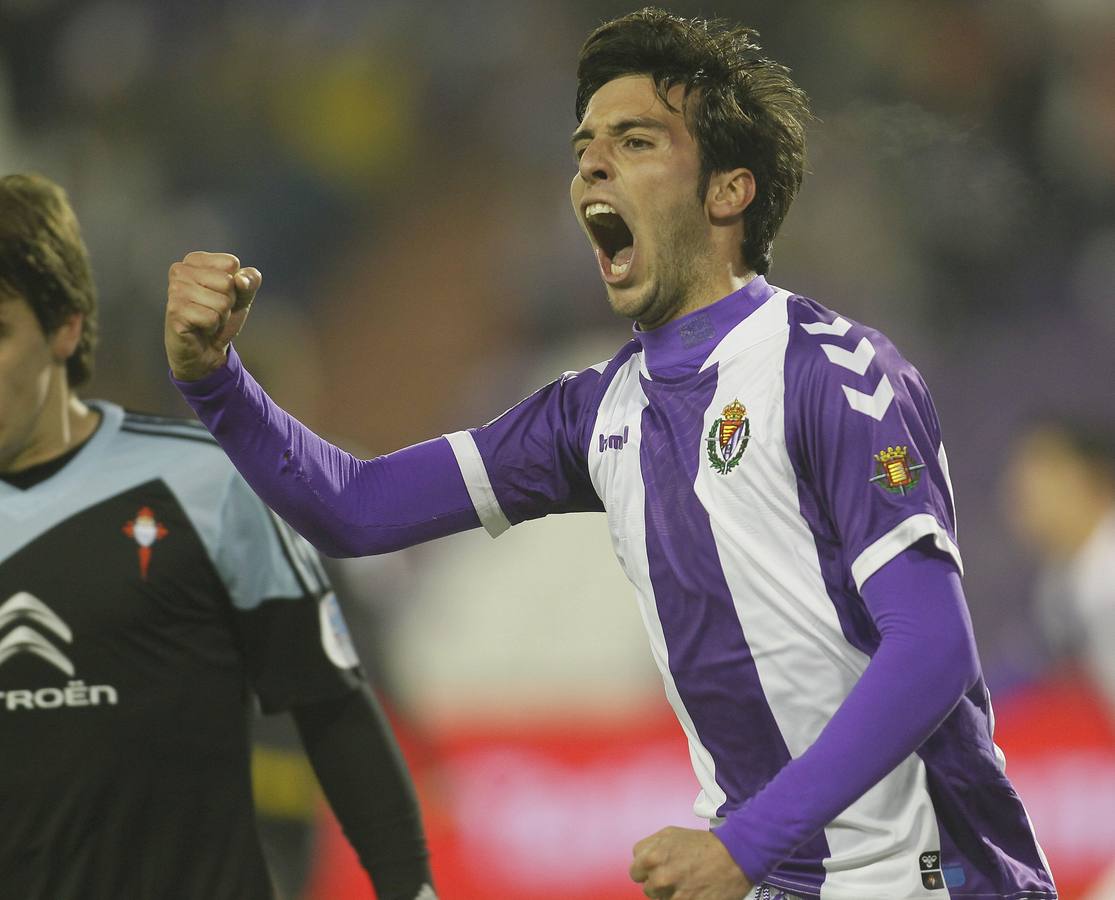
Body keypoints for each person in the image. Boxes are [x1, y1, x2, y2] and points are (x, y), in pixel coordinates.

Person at [163, 9, 1056, 899]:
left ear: (727, 192)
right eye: (585, 144)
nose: (590, 161)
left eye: (634, 140)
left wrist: (740, 844)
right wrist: (218, 386)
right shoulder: (592, 415)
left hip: (935, 878)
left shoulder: (830, 370)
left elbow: (932, 647)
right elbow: (354, 509)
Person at [0, 172, 437, 900]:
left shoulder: (205, 487)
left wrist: (410, 887)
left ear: (64, 328)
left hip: (260, 817)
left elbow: (335, 700)